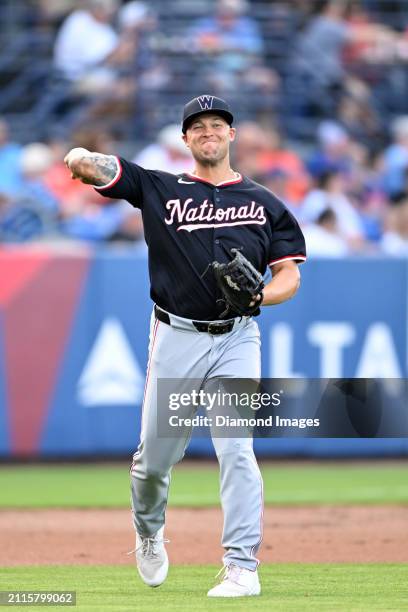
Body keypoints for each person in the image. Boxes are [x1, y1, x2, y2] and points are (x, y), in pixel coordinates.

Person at [64, 95, 306, 598]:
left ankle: (242, 566)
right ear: (185, 138)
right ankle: (149, 532)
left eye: (217, 124)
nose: (208, 132)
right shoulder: (159, 187)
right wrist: (80, 160)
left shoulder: (265, 203)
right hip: (176, 337)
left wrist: (261, 294)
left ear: (232, 135)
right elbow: (98, 167)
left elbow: (289, 276)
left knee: (237, 450)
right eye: (198, 127)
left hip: (239, 337)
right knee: (154, 461)